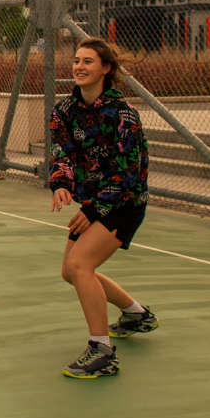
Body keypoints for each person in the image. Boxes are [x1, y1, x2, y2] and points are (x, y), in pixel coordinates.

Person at [48, 38, 157, 380]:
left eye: (88, 61)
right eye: (76, 60)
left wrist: (94, 210)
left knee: (80, 264)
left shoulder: (124, 115)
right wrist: (62, 183)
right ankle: (136, 314)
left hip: (124, 203)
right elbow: (62, 153)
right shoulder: (64, 111)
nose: (79, 66)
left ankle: (102, 352)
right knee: (71, 272)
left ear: (105, 68)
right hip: (95, 204)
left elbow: (127, 173)